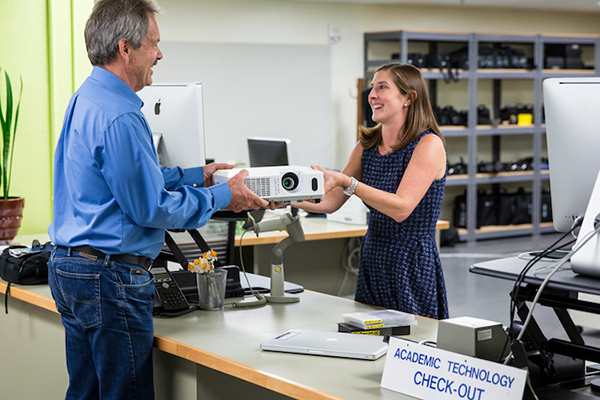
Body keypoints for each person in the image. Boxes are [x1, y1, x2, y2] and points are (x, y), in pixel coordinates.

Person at [47, 1, 268, 399]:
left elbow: (124, 178)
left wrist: (193, 175)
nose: (160, 54)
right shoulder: (121, 115)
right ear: (125, 48)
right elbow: (152, 208)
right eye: (154, 44)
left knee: (85, 393)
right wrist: (223, 194)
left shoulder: (87, 98)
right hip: (110, 278)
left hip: (72, 267)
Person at [294, 63, 449, 320]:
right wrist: (284, 200)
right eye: (372, 88)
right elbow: (331, 202)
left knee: (411, 342)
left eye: (382, 87)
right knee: (370, 335)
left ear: (409, 98)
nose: (372, 95)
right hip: (374, 256)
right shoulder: (368, 145)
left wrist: (348, 182)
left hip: (410, 261)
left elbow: (401, 208)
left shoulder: (428, 145)